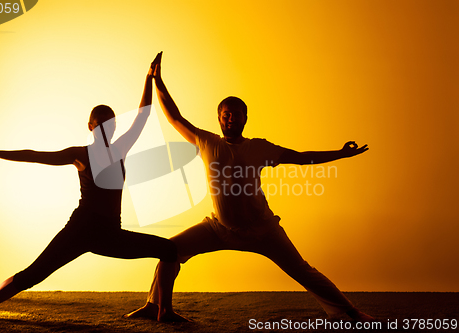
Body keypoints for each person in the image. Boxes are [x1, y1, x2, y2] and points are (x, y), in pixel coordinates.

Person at [126, 52, 374, 322]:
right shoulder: (208, 142)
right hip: (219, 228)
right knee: (168, 250)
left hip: (262, 230)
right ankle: (155, 306)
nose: (230, 119)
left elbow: (301, 158)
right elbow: (175, 118)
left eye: (236, 115)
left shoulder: (259, 147)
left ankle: (348, 312)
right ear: (219, 118)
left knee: (302, 270)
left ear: (245, 118)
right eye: (225, 114)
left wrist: (341, 153)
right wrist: (158, 81)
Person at [0, 53, 177, 323]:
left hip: (111, 233)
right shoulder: (80, 154)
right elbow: (35, 155)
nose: (106, 128)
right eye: (100, 124)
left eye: (110, 123)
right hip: (79, 230)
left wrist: (149, 77)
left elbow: (143, 114)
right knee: (33, 274)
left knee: (169, 250)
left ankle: (164, 311)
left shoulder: (120, 149)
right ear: (90, 126)